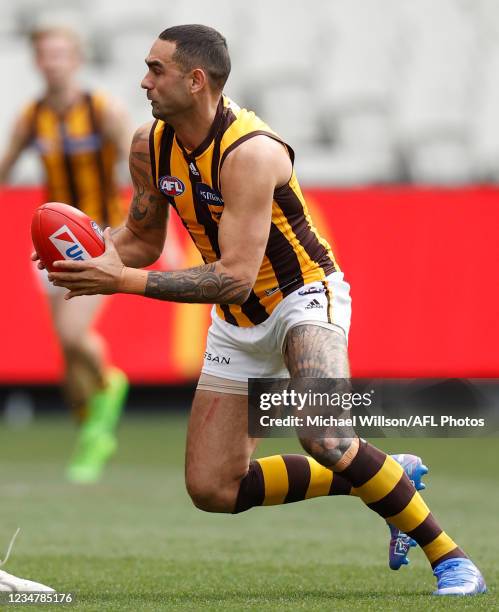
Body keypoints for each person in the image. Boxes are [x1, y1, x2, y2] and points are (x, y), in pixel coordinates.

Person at [45, 25, 486, 595]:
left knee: (324, 436)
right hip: (239, 323)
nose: (144, 81)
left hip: (304, 299)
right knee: (213, 489)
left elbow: (233, 277)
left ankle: (452, 559)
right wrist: (87, 254)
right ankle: (383, 473)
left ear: (195, 80)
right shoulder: (147, 144)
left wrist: (121, 280)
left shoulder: (251, 152)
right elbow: (142, 240)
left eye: (156, 70)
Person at [0, 26, 130, 483]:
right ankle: (92, 431)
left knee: (75, 338)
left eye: (60, 54)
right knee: (66, 356)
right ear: (38, 62)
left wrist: (153, 228)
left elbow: (143, 164)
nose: (52, 62)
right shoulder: (32, 116)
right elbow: (5, 166)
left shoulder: (101, 110)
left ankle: (111, 385)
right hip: (50, 245)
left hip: (99, 241)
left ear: (76, 59)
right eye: (44, 55)